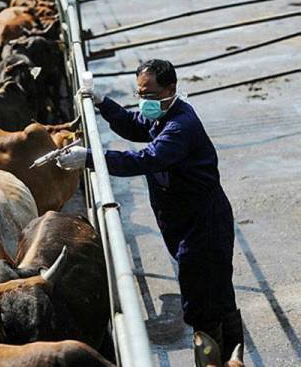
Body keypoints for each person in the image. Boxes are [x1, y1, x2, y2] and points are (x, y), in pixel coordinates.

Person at [56, 59, 244, 364]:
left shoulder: (180, 126)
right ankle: (233, 360)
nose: (144, 102)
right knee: (217, 296)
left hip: (203, 223)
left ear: (171, 89)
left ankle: (213, 362)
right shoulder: (164, 114)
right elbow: (136, 125)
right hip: (189, 222)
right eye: (140, 94)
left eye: (150, 95)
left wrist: (90, 157)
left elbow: (146, 159)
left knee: (203, 305)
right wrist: (103, 103)